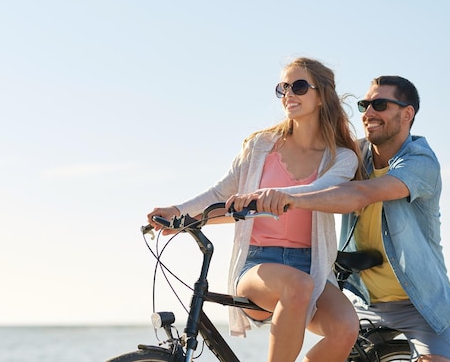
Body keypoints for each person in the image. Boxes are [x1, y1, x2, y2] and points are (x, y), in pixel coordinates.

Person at [228, 76, 450, 362]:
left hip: (420, 304)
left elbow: (361, 193)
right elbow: (307, 155)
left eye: (380, 104)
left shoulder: (419, 161)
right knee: (337, 334)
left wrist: (290, 199)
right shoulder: (352, 155)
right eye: (365, 105)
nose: (368, 113)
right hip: (360, 299)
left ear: (407, 113)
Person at [147, 57, 364, 362]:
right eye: (283, 87)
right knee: (297, 286)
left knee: (345, 328)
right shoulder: (261, 146)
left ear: (322, 96)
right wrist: (179, 210)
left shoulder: (341, 158)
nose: (289, 93)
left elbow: (322, 192)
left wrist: (270, 194)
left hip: (313, 265)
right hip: (259, 265)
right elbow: (221, 193)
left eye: (299, 86)